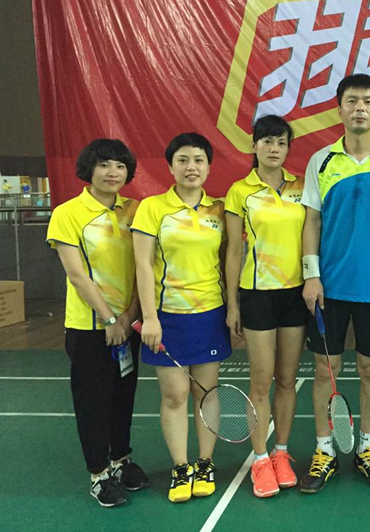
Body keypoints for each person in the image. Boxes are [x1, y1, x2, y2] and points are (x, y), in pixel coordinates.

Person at [299, 73, 370, 493]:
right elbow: (312, 221)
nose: (359, 107)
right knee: (325, 370)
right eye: (352, 101)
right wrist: (311, 275)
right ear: (340, 108)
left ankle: (367, 447)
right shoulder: (321, 160)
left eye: (367, 101)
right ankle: (324, 450)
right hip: (328, 287)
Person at [47, 139, 149, 508]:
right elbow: (76, 275)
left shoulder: (135, 211)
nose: (112, 172)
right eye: (104, 165)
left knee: (124, 396)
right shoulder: (68, 213)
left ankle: (121, 459)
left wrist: (129, 316)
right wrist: (108, 318)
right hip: (90, 328)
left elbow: (141, 269)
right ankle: (99, 473)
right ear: (89, 169)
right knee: (93, 402)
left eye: (120, 166)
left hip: (127, 323)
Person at [132, 132, 231, 503]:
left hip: (210, 313)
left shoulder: (219, 210)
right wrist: (149, 317)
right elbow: (143, 264)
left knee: (206, 392)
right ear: (171, 166)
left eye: (199, 160)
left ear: (208, 166)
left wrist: (232, 309)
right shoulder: (152, 208)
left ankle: (205, 462)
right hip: (168, 316)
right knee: (174, 394)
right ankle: (180, 466)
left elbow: (228, 259)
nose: (192, 167)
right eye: (183, 160)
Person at [224, 115, 307, 498]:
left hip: (295, 294)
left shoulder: (301, 187)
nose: (275, 148)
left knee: (287, 379)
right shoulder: (240, 191)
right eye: (268, 141)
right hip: (257, 293)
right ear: (254, 145)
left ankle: (281, 453)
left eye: (281, 142)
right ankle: (260, 459)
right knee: (261, 381)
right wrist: (233, 304)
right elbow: (233, 251)